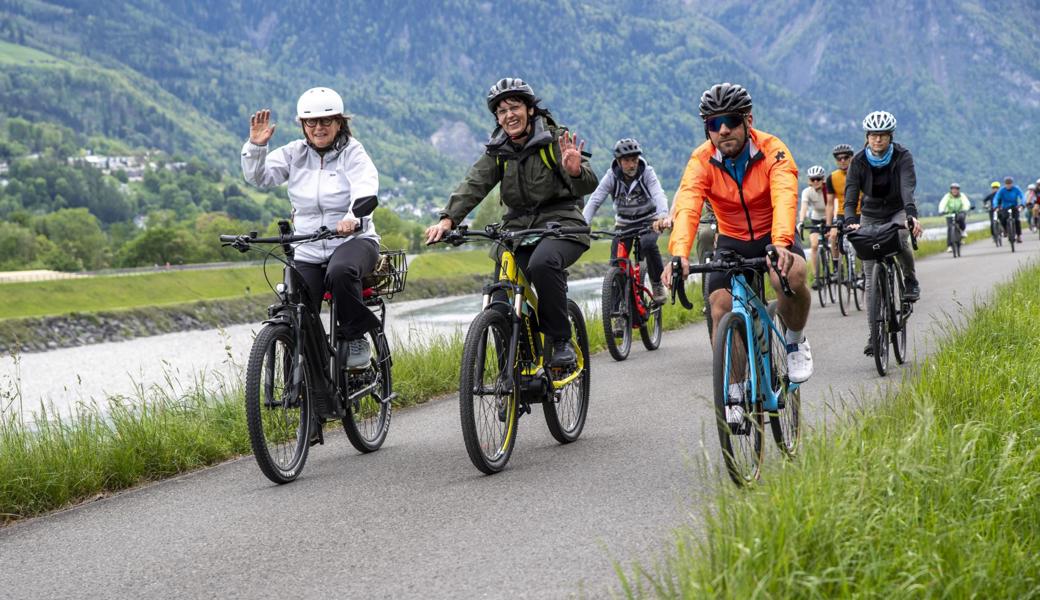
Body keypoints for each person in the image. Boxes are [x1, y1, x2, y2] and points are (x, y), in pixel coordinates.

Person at [424, 77, 598, 368]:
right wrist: (448, 219)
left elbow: (589, 183)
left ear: (530, 109)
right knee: (501, 295)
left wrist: (576, 171)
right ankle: (514, 370)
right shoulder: (498, 150)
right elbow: (474, 183)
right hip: (517, 229)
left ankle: (560, 341)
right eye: (501, 111)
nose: (509, 116)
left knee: (542, 264)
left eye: (514, 107)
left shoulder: (555, 140)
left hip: (562, 223)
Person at [657, 82, 813, 383]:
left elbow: (784, 195)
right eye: (714, 124)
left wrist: (781, 242)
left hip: (772, 233)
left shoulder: (773, 150)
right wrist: (679, 254)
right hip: (732, 239)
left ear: (748, 121)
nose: (724, 130)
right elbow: (688, 204)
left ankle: (795, 340)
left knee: (790, 276)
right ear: (707, 129)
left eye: (731, 121)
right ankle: (736, 393)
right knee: (721, 306)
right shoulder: (701, 160)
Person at [242, 86, 382, 370]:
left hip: (353, 241)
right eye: (311, 122)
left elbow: (366, 187)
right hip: (307, 247)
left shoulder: (353, 153)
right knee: (297, 306)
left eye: (326, 120)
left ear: (339, 122)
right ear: (303, 125)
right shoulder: (294, 153)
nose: (319, 127)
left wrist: (353, 217)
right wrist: (256, 148)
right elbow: (259, 177)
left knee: (340, 272)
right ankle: (307, 379)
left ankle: (355, 336)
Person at [842, 110, 923, 356]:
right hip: (870, 213)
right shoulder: (858, 161)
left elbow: (907, 187)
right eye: (873, 135)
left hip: (898, 209)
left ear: (890, 136)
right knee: (869, 277)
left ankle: (910, 279)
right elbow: (850, 195)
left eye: (883, 135)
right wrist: (850, 220)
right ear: (867, 137)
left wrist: (910, 215)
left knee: (900, 238)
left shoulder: (902, 156)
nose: (878, 139)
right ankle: (873, 335)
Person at [583, 138, 670, 302]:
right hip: (624, 223)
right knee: (617, 261)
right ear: (618, 161)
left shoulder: (647, 172)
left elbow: (658, 194)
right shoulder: (611, 176)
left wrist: (663, 215)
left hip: (648, 220)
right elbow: (595, 200)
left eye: (634, 160)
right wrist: (584, 223)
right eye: (627, 161)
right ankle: (617, 304)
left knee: (648, 244)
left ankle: (657, 283)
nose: (632, 165)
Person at [798, 165, 835, 284]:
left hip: (831, 217)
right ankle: (816, 277)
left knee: (834, 239)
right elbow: (804, 207)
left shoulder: (828, 189)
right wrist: (801, 221)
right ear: (809, 180)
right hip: (816, 219)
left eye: (818, 179)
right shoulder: (807, 192)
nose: (815, 181)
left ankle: (836, 268)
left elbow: (834, 205)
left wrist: (832, 222)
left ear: (823, 179)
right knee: (814, 245)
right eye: (812, 179)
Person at [938, 183, 970, 251]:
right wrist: (941, 210)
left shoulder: (962, 195)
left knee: (961, 219)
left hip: (959, 212)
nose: (954, 191)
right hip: (949, 213)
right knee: (950, 228)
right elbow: (942, 203)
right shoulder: (947, 196)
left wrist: (965, 209)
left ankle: (962, 231)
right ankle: (949, 246)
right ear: (951, 190)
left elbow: (966, 203)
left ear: (958, 190)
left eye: (956, 189)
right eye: (953, 189)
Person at [992, 176, 1025, 243]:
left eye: (1010, 183)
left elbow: (1022, 196)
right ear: (1005, 184)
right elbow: (996, 198)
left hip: (1014, 207)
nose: (1008, 185)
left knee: (1017, 220)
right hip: (1005, 207)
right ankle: (1006, 230)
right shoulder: (1002, 190)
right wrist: (995, 206)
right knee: (1003, 219)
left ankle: (1019, 236)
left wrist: (1022, 204)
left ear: (1012, 183)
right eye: (1007, 184)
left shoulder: (1016, 189)